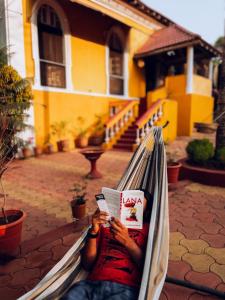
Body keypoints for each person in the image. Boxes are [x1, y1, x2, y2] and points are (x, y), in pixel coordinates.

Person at [62, 190, 152, 300]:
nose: (132, 208)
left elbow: (149, 268)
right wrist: (94, 232)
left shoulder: (148, 230)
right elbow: (87, 264)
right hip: (91, 284)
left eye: (138, 205)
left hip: (125, 288)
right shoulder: (105, 225)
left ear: (146, 211)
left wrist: (127, 241)